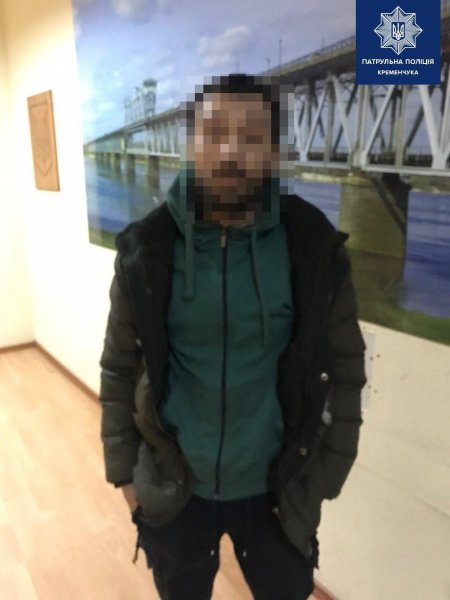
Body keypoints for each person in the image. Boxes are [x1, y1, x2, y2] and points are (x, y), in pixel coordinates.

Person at [99, 73, 367, 600]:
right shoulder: (146, 249)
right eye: (214, 132)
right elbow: (118, 367)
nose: (229, 151)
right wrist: (127, 480)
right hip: (174, 488)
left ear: (271, 151)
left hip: (278, 492)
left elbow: (346, 369)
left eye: (250, 135)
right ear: (192, 143)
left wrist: (324, 479)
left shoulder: (311, 246)